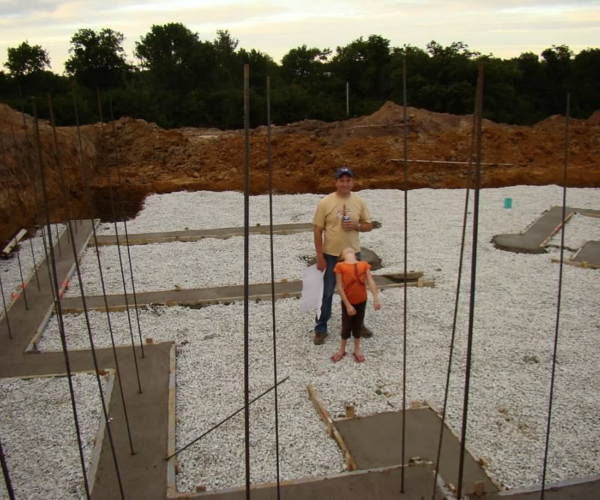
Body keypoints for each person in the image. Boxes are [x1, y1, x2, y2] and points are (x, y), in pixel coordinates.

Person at [312, 167, 374, 345]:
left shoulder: (359, 202)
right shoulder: (325, 202)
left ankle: (358, 325)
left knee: (357, 291)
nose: (345, 184)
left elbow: (369, 225)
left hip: (353, 256)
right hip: (331, 255)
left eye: (348, 180)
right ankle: (321, 327)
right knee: (327, 293)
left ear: (352, 182)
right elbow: (317, 230)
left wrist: (357, 225)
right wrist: (320, 256)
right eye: (342, 180)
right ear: (336, 182)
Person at [331, 247, 381, 363]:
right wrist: (348, 305)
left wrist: (376, 299)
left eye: (351, 249)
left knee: (358, 325)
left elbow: (371, 282)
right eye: (345, 250)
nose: (348, 250)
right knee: (346, 325)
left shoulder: (364, 264)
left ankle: (357, 349)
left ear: (355, 254)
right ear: (342, 257)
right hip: (348, 301)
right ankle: (342, 349)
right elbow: (339, 287)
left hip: (361, 300)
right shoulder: (340, 266)